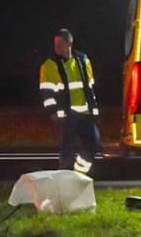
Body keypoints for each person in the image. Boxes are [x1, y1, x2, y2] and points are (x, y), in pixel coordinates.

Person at [38, 28, 101, 175]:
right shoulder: (49, 65)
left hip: (84, 113)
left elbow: (89, 87)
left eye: (60, 44)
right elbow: (46, 92)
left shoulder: (83, 60)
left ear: (69, 44)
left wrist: (94, 110)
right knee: (67, 149)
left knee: (93, 142)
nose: (56, 48)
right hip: (66, 115)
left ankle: (79, 173)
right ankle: (64, 179)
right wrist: (53, 112)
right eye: (55, 45)